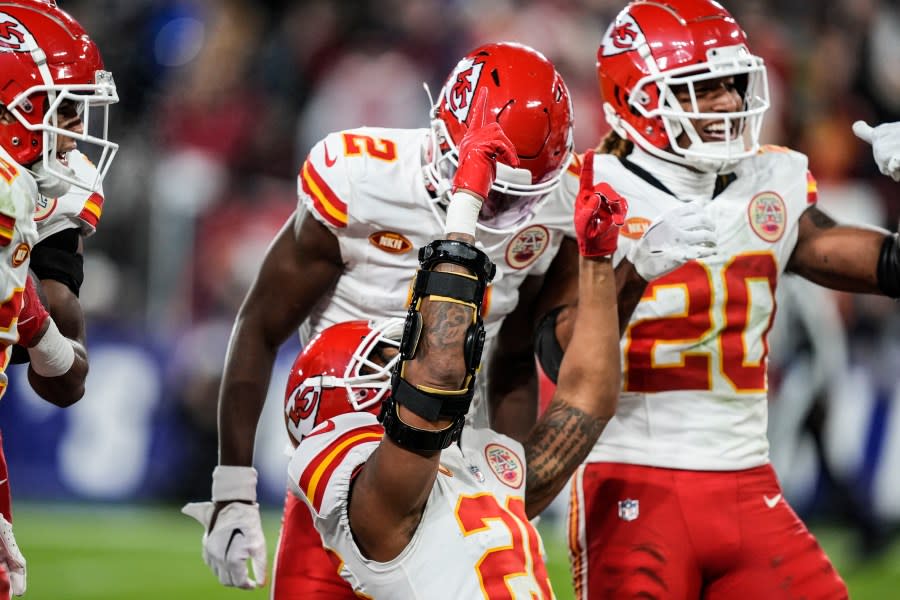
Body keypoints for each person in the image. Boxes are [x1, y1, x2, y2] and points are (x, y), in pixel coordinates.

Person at [183, 42, 583, 595]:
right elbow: (258, 325)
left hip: (454, 467)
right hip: (340, 458)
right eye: (488, 191)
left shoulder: (559, 203)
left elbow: (512, 357)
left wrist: (509, 490)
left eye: (516, 197)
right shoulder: (361, 178)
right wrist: (232, 487)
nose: (495, 209)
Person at [552, 1, 900, 597]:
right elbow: (556, 356)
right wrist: (632, 273)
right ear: (634, 97)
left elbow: (884, 267)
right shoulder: (585, 191)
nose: (728, 104)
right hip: (634, 479)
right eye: (701, 88)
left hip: (747, 482)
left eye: (733, 84)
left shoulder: (770, 180)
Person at [284, 96, 625, 594]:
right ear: (347, 406)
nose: (403, 361)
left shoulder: (484, 471)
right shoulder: (377, 507)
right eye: (384, 360)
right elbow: (440, 371)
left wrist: (598, 259)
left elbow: (588, 401)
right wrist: (464, 206)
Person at [0, 1, 118, 596]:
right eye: (64, 106)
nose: (73, 129)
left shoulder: (52, 180)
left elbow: (64, 375)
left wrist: (17, 290)